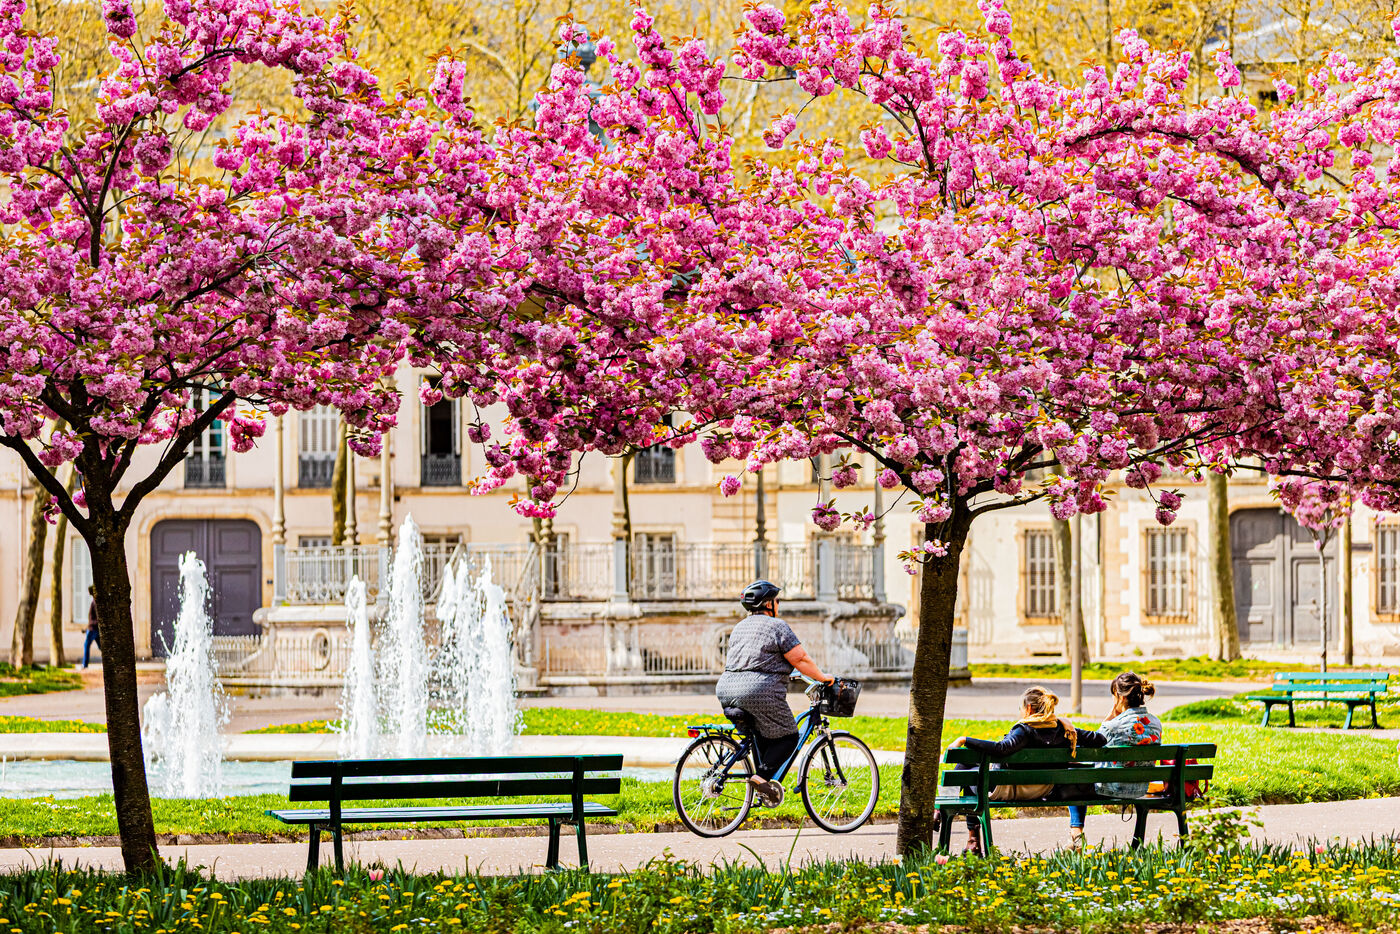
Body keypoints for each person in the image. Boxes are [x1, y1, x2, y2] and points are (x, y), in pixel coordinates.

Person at [716, 580, 835, 809]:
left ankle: (762, 790)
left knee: (763, 735)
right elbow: (800, 659)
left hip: (727, 689)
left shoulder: (740, 627)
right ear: (768, 603)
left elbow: (756, 659)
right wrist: (822, 677)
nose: (778, 604)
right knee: (789, 737)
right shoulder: (777, 626)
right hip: (758, 692)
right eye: (777, 600)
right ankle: (760, 779)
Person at [946, 686, 1107, 856]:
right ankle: (970, 839)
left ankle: (971, 839)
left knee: (968, 773)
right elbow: (1100, 740)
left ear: (1029, 708)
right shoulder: (1064, 730)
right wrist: (1066, 725)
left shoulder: (1024, 730)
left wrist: (965, 740)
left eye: (1021, 709)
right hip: (1044, 789)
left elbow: (1001, 748)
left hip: (1008, 790)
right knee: (967, 770)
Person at [1063, 671, 1163, 845]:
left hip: (1111, 788)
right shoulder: (1156, 723)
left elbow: (1092, 748)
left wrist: (1109, 718)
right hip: (1141, 788)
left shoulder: (1112, 726)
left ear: (1119, 696)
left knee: (1074, 775)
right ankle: (1076, 835)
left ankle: (1076, 833)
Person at [82, 585, 100, 669]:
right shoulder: (94, 602)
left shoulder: (95, 602)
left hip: (92, 629)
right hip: (93, 629)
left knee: (86, 645)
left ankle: (84, 664)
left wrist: (89, 627)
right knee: (101, 647)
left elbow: (96, 618)